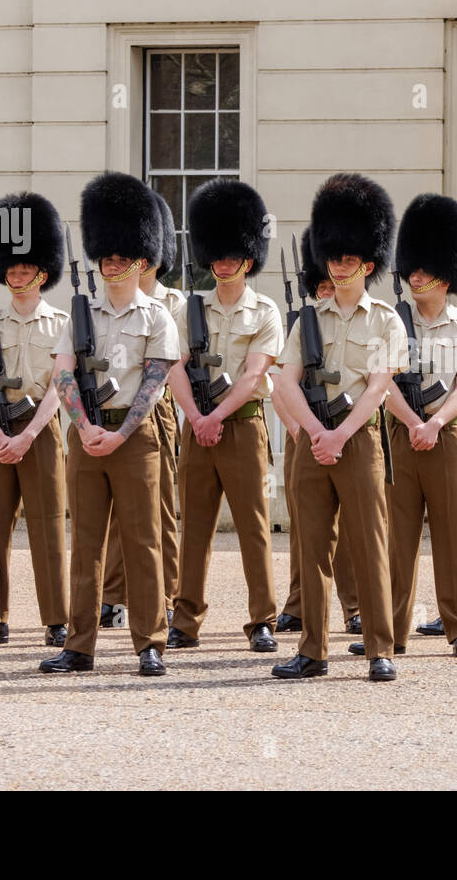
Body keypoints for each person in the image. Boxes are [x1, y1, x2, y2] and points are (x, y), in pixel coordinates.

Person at [40, 172, 179, 676]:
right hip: (86, 437)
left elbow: (155, 381)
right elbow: (62, 375)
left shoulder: (158, 315)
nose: (113, 264)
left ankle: (150, 643)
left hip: (134, 437)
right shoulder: (77, 315)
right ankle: (79, 645)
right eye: (107, 256)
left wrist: (118, 433)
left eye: (123, 257)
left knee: (143, 540)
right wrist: (83, 428)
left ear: (140, 260)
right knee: (87, 542)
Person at [271, 173, 408, 682]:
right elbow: (285, 382)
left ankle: (379, 649)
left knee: (370, 543)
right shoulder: (308, 320)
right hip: (315, 439)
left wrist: (339, 435)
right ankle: (313, 650)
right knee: (310, 546)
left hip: (358, 440)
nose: (340, 265)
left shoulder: (386, 320)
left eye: (349, 258)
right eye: (334, 257)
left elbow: (378, 388)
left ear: (367, 263)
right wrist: (314, 433)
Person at [166, 178, 282, 653]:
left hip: (242, 426)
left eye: (232, 256)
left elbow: (255, 376)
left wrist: (216, 417)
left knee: (253, 527)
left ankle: (262, 621)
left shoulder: (266, 311)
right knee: (193, 526)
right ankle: (185, 619)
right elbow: (171, 366)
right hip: (198, 426)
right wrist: (195, 416)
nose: (223, 264)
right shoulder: (189, 309)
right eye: (217, 256)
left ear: (247, 259)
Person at [0, 192, 69, 647]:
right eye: (13, 269)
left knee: (48, 526)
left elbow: (62, 387)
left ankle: (56, 619)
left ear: (43, 272)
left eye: (28, 269)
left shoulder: (62, 323)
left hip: (39, 433)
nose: (19, 277)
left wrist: (29, 435)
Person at [381, 193, 457, 659]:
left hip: (449, 438)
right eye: (413, 269)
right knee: (397, 538)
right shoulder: (390, 323)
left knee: (454, 533)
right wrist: (411, 422)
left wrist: (436, 421)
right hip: (402, 437)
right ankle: (390, 632)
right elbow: (381, 384)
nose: (416, 277)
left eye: (425, 270)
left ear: (446, 275)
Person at [101, 190, 183, 628]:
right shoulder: (108, 300)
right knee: (112, 508)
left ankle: (165, 594)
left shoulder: (174, 304)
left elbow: (177, 367)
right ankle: (112, 595)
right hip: (110, 408)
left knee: (158, 509)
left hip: (157, 408)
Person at [274, 229, 361, 636]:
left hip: (344, 432)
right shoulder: (302, 325)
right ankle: (300, 604)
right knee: (305, 530)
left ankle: (354, 606)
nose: (329, 290)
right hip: (304, 436)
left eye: (333, 284)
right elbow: (280, 387)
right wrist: (298, 430)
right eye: (322, 285)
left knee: (347, 532)